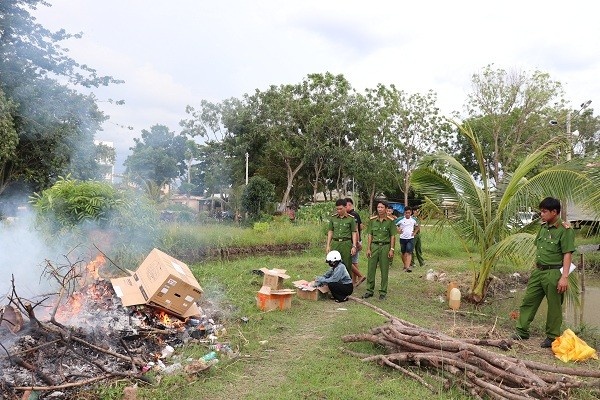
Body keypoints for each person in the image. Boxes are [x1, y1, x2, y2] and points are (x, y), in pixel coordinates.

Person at [512, 197, 576, 348]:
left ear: (554, 212)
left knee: (554, 306)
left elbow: (567, 254)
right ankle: (522, 331)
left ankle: (552, 336)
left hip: (554, 273)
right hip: (539, 271)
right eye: (541, 211)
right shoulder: (543, 227)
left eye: (544, 211)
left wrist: (564, 277)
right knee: (529, 300)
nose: (541, 214)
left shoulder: (564, 230)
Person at [362, 201, 396, 300]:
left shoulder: (390, 221)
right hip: (374, 246)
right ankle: (369, 290)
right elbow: (370, 235)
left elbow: (393, 236)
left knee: (384, 270)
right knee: (371, 269)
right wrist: (368, 248)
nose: (379, 209)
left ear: (386, 209)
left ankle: (383, 292)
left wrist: (392, 249)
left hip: (385, 247)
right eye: (378, 207)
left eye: (382, 207)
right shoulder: (372, 221)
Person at [326, 199, 358, 280]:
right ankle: (335, 282)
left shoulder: (351, 219)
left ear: (345, 207)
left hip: (346, 243)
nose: (339, 211)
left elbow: (354, 232)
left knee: (347, 264)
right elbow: (330, 231)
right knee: (334, 263)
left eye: (341, 209)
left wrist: (354, 246)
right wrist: (328, 245)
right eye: (337, 209)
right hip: (335, 243)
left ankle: (347, 284)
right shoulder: (333, 218)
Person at [345, 197, 366, 287]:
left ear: (349, 205)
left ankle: (359, 276)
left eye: (344, 206)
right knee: (354, 261)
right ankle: (354, 281)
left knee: (348, 261)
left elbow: (356, 230)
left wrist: (356, 243)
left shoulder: (352, 215)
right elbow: (361, 227)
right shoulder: (356, 214)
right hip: (356, 241)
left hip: (353, 241)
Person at [396, 207, 419, 272]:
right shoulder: (400, 219)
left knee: (409, 252)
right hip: (402, 238)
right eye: (406, 213)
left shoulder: (414, 219)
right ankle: (405, 265)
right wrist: (398, 230)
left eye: (409, 213)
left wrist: (414, 233)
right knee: (403, 253)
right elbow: (394, 224)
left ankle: (408, 267)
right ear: (404, 213)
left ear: (411, 212)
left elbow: (417, 226)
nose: (407, 214)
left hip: (410, 238)